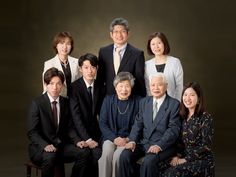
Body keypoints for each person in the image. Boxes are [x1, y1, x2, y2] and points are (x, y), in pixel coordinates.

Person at [27, 67, 90, 177]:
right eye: (51, 84)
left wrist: (77, 141)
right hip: (41, 148)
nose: (55, 87)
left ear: (62, 85)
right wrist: (45, 145)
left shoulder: (65, 102)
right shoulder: (37, 103)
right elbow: (32, 132)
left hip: (60, 147)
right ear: (46, 85)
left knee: (84, 152)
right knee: (50, 156)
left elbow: (70, 127)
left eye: (58, 84)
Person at [119, 73, 181, 177]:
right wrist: (132, 140)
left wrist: (159, 145)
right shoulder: (144, 102)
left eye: (159, 85)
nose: (155, 88)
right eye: (153, 85)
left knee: (148, 161)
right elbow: (137, 124)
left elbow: (173, 130)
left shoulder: (174, 104)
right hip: (144, 143)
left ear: (166, 86)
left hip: (164, 146)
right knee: (124, 155)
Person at [161, 82, 215, 177]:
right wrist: (177, 156)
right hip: (184, 156)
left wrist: (184, 160)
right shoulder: (183, 117)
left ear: (198, 99)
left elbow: (206, 146)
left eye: (192, 95)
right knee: (161, 166)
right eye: (185, 95)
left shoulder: (206, 117)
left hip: (202, 160)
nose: (187, 98)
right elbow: (180, 143)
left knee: (172, 173)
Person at [99, 71, 141, 177]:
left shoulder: (139, 101)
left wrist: (128, 139)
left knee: (118, 156)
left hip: (128, 139)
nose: (124, 89)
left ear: (131, 87)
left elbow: (139, 124)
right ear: (115, 87)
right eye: (120, 86)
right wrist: (114, 139)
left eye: (127, 86)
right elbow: (103, 123)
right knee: (107, 154)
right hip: (110, 138)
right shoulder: (108, 100)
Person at [69, 53, 104, 177]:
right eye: (86, 67)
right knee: (88, 154)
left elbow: (102, 114)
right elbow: (76, 117)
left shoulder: (100, 86)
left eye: (93, 67)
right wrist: (87, 139)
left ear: (97, 68)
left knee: (99, 154)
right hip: (78, 133)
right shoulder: (74, 88)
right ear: (80, 69)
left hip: (95, 132)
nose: (90, 71)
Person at [97, 17, 146, 97]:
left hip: (130, 98)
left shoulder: (137, 54)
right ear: (111, 34)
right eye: (116, 32)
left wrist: (141, 100)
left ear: (128, 34)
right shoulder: (103, 52)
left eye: (123, 31)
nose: (119, 35)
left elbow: (139, 80)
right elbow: (100, 78)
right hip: (108, 98)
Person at [145, 32, 183, 101]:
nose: (156, 46)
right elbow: (148, 87)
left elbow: (179, 86)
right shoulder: (147, 65)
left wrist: (176, 104)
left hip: (173, 104)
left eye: (159, 43)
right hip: (154, 105)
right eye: (153, 44)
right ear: (149, 46)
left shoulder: (175, 62)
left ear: (164, 44)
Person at [43, 31, 81, 97]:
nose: (65, 47)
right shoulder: (49, 64)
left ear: (71, 46)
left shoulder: (77, 62)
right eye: (61, 43)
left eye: (68, 44)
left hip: (75, 99)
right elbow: (46, 88)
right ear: (56, 46)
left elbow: (81, 83)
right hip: (59, 99)